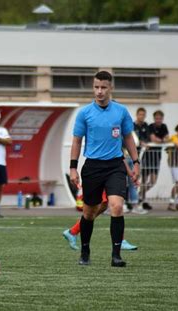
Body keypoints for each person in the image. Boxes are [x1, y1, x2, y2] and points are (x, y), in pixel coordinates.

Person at [70, 70, 139, 267]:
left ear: (111, 88)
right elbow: (76, 141)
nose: (99, 91)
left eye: (103, 87)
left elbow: (128, 138)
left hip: (115, 165)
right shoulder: (84, 113)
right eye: (96, 87)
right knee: (89, 212)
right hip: (92, 167)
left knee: (116, 206)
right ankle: (85, 251)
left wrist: (136, 163)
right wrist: (73, 168)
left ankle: (116, 255)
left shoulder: (121, 111)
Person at [63, 190, 138, 251]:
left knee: (106, 205)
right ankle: (120, 241)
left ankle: (73, 231)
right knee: (102, 205)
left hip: (111, 174)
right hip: (102, 174)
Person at [139, 110, 169, 211]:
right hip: (148, 156)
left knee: (153, 181)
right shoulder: (150, 126)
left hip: (156, 157)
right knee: (143, 180)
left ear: (162, 119)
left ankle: (140, 194)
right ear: (154, 118)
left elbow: (167, 138)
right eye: (156, 118)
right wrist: (161, 140)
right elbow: (153, 138)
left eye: (160, 118)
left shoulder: (164, 127)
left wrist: (162, 139)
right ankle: (141, 200)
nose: (158, 120)